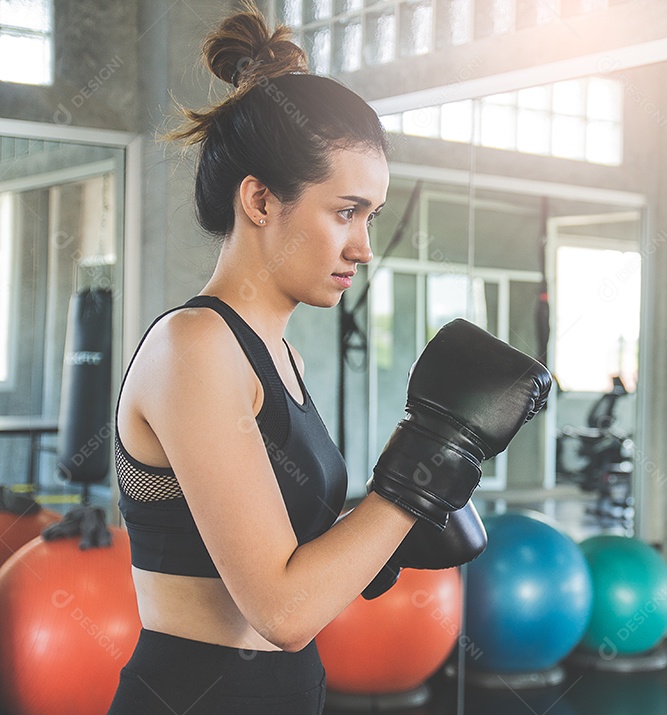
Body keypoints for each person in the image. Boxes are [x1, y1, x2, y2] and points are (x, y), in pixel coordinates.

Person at [106, 6, 550, 714]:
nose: (363, 246)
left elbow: (292, 562)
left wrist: (374, 538)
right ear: (259, 199)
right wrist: (428, 464)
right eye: (345, 211)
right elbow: (282, 610)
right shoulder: (194, 347)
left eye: (370, 216)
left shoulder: (281, 358)